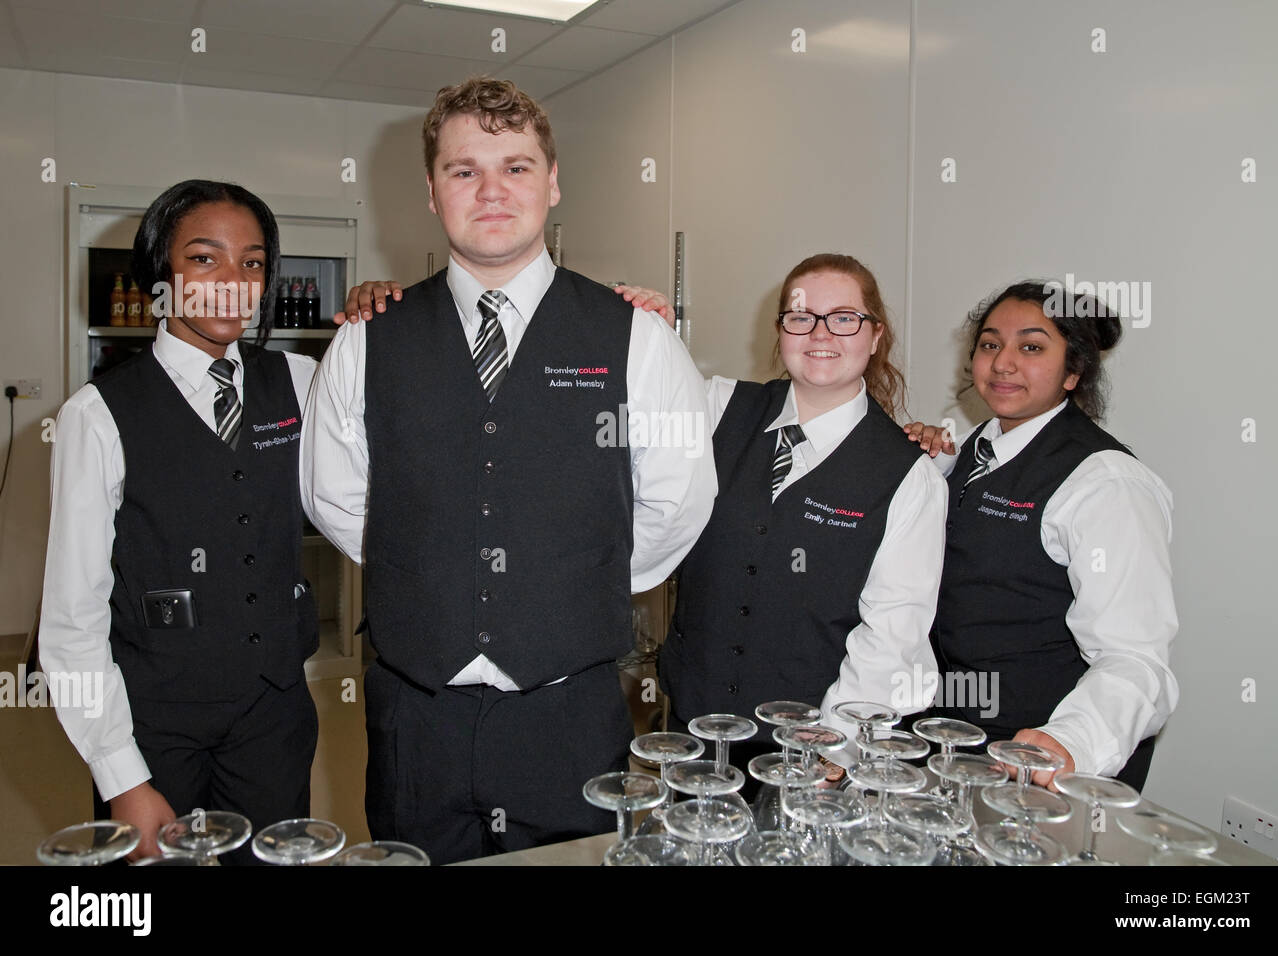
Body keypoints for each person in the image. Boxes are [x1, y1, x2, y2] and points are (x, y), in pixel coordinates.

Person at [300, 76, 716, 865]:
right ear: (432, 191)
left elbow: (677, 499)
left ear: (552, 182)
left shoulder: (635, 336)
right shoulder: (366, 339)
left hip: (571, 714)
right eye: (464, 170)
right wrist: (431, 572)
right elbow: (337, 495)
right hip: (415, 718)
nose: (491, 190)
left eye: (516, 167)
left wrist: (572, 583)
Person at [39, 181, 321, 861]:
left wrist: (382, 307)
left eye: (252, 264)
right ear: (159, 274)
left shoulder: (304, 381)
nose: (232, 282)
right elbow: (73, 620)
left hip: (275, 715)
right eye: (204, 259)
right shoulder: (98, 414)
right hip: (154, 726)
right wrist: (121, 777)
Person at [646, 253, 948, 773]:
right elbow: (629, 411)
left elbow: (894, 632)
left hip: (807, 753)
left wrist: (838, 743)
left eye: (844, 318)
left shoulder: (908, 475)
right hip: (693, 728)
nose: (820, 333)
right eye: (801, 316)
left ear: (876, 335)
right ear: (781, 330)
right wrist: (641, 329)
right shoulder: (717, 408)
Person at [904, 280, 1178, 791]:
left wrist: (1073, 740)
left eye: (1031, 347)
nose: (1003, 363)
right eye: (990, 344)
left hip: (1036, 754)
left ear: (1073, 372)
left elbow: (1137, 659)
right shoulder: (968, 452)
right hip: (952, 736)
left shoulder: (1107, 485)